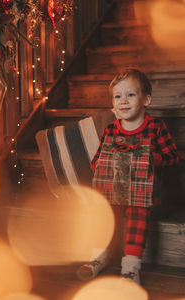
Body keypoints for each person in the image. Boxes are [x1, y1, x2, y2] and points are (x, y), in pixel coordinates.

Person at [76, 68, 179, 284]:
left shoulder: (155, 127)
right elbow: (97, 161)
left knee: (137, 212)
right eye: (118, 96)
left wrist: (153, 159)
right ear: (113, 105)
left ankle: (131, 268)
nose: (123, 100)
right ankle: (99, 256)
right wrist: (106, 164)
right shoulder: (111, 130)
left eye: (130, 94)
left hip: (145, 193)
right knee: (102, 211)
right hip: (113, 190)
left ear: (146, 100)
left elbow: (172, 157)